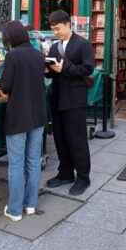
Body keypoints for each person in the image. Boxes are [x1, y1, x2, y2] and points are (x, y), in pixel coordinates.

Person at [0, 21, 47, 222]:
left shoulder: (12, 56)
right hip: (38, 115)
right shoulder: (38, 55)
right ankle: (30, 205)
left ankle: (15, 210)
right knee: (33, 161)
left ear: (11, 38)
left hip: (18, 116)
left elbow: (5, 86)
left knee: (16, 163)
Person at [44, 10, 95, 196]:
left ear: (68, 24)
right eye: (53, 29)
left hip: (75, 99)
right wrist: (47, 70)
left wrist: (63, 69)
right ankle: (65, 173)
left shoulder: (82, 44)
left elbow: (89, 68)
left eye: (57, 28)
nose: (55, 32)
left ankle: (83, 177)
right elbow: (52, 72)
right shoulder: (54, 47)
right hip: (57, 98)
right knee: (60, 139)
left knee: (77, 140)